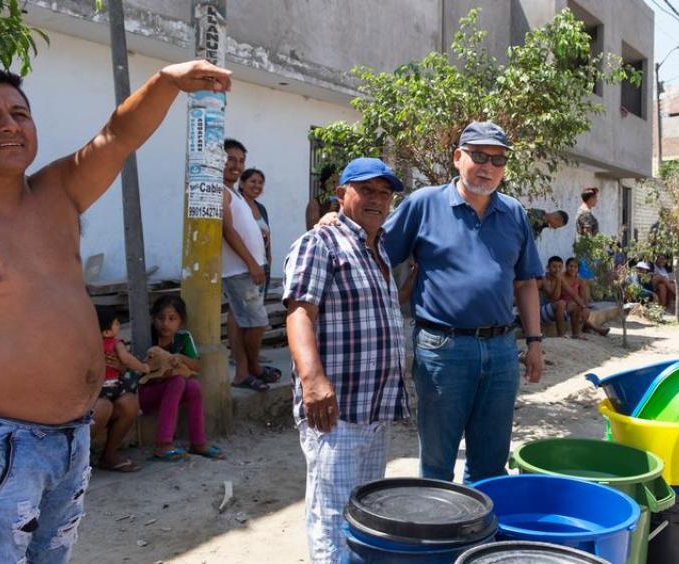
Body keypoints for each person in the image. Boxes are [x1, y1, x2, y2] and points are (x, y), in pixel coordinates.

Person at [0, 60, 230, 563]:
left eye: (20, 113)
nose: (10, 125)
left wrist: (167, 82)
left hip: (72, 439)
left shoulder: (57, 193)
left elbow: (117, 137)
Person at [382, 121, 544, 483]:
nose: (488, 167)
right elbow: (377, 251)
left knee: (490, 464)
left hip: (502, 350)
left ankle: (480, 537)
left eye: (498, 160)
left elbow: (526, 282)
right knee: (437, 463)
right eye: (479, 156)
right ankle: (441, 537)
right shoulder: (424, 204)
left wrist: (534, 342)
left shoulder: (514, 213)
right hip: (443, 349)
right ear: (458, 157)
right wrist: (339, 221)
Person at [283, 157, 410, 563]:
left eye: (384, 193)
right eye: (366, 190)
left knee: (365, 512)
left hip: (374, 407)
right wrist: (312, 379)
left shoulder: (379, 248)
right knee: (332, 515)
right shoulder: (319, 243)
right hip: (334, 410)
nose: (377, 199)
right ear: (341, 195)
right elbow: (299, 312)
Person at [139, 295, 224, 461]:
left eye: (172, 319)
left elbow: (197, 366)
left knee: (193, 386)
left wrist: (181, 358)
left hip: (172, 391)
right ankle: (163, 444)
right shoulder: (146, 336)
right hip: (146, 394)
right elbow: (140, 372)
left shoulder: (183, 338)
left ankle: (198, 442)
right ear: (153, 319)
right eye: (160, 318)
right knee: (177, 381)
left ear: (181, 321)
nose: (165, 323)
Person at [221, 139, 275, 391]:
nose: (236, 165)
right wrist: (252, 263)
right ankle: (250, 368)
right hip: (239, 270)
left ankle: (246, 371)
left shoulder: (235, 193)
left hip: (249, 269)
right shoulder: (220, 190)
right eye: (231, 159)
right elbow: (227, 230)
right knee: (257, 322)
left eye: (240, 161)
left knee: (245, 321)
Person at [91, 305, 148, 473]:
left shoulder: (104, 344)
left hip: (107, 389)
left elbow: (124, 363)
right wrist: (144, 367)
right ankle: (75, 460)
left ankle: (109, 455)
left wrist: (122, 368)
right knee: (103, 407)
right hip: (87, 397)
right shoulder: (86, 344)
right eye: (116, 323)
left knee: (130, 402)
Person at [239, 168, 273, 299]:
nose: (257, 186)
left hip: (262, 265)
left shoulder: (261, 208)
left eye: (260, 182)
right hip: (243, 267)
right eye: (253, 181)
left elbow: (268, 235)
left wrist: (269, 259)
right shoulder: (237, 205)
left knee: (258, 305)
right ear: (242, 184)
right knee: (243, 311)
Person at [561, 257, 610, 336]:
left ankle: (591, 329)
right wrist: (583, 306)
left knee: (581, 309)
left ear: (578, 268)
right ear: (566, 267)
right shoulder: (562, 277)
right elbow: (572, 294)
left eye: (575, 267)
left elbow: (583, 297)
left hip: (577, 303)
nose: (573, 269)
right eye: (571, 266)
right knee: (576, 307)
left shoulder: (579, 280)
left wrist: (585, 307)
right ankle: (595, 329)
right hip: (565, 304)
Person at [539, 256, 576, 338]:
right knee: (561, 303)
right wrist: (559, 281)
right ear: (548, 268)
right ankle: (561, 335)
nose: (557, 269)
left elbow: (572, 293)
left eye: (559, 267)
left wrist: (583, 306)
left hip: (555, 312)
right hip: (541, 313)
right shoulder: (544, 279)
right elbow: (553, 299)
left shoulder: (560, 278)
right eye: (554, 267)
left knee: (574, 305)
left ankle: (576, 334)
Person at [305, 163, 340, 230]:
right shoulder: (315, 203)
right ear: (325, 184)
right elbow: (311, 230)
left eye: (337, 181)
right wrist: (329, 212)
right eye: (331, 182)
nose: (335, 186)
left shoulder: (343, 200)